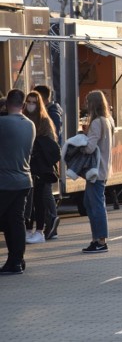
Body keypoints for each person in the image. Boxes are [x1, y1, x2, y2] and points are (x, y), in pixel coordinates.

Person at [0, 89, 36, 274]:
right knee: (15, 221)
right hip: (23, 181)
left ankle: (14, 261)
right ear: (23, 105)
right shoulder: (30, 125)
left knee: (10, 222)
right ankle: (16, 261)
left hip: (4, 182)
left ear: (6, 105)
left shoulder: (3, 123)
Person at [23, 91, 61, 244]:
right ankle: (30, 229)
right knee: (29, 200)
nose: (31, 105)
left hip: (40, 167)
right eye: (29, 101)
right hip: (27, 165)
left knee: (40, 198)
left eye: (34, 102)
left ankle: (41, 229)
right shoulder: (24, 118)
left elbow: (51, 146)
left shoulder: (44, 121)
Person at [81, 90, 114, 253]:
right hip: (104, 168)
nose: (86, 106)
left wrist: (80, 142)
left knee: (96, 205)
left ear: (93, 104)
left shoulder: (96, 123)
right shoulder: (107, 120)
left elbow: (90, 148)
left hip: (96, 170)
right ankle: (97, 239)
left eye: (88, 102)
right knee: (91, 203)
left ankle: (100, 240)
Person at [33, 85, 63, 239]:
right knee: (44, 193)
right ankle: (51, 221)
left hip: (45, 161)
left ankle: (52, 219)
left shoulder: (51, 113)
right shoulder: (51, 112)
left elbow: (52, 140)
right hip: (44, 160)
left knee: (45, 192)